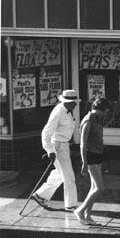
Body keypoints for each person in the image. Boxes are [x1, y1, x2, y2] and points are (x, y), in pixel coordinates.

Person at [32, 90, 80, 212]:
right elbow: (46, 132)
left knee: (59, 174)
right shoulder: (58, 112)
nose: (75, 104)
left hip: (64, 145)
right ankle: (71, 205)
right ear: (66, 102)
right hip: (57, 147)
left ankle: (40, 195)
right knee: (69, 177)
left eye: (75, 102)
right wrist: (50, 151)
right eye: (72, 102)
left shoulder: (68, 111)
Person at [73, 97, 109, 226]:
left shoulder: (97, 119)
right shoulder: (88, 121)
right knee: (100, 187)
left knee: (94, 187)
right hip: (91, 156)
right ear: (99, 110)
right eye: (104, 111)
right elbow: (82, 144)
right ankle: (80, 211)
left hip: (97, 154)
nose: (105, 114)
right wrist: (84, 163)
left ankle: (88, 215)